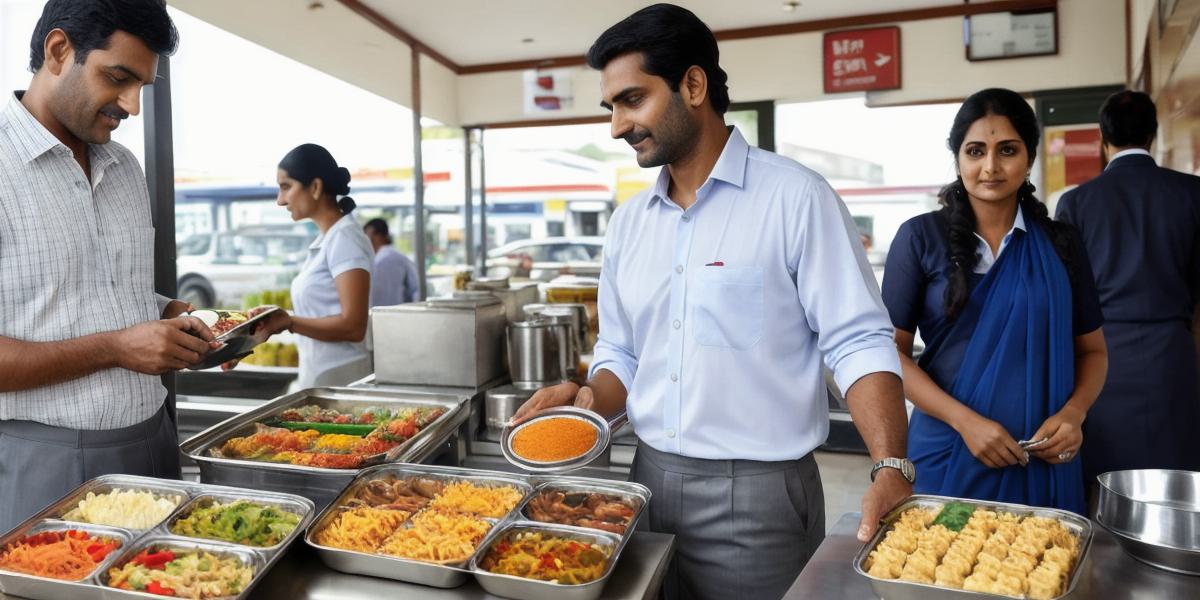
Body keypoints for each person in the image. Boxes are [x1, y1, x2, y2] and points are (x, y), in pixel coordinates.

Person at [512, 5, 912, 599]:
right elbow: (621, 350)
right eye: (612, 107)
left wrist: (889, 465)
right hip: (643, 484)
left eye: (632, 100)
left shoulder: (794, 198)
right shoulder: (628, 225)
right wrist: (590, 400)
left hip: (758, 500)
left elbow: (856, 341)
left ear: (693, 85)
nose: (617, 126)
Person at [0, 0, 216, 532]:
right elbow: (109, 332)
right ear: (57, 51)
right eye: (118, 78)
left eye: (143, 85)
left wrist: (179, 315)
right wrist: (116, 347)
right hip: (45, 461)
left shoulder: (123, 166)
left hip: (156, 441)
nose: (132, 106)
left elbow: (111, 295)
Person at [881, 88, 1108, 515]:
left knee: (1038, 575)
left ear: (1029, 157)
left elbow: (1093, 351)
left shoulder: (1061, 245)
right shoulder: (920, 238)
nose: (990, 166)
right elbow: (889, 353)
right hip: (948, 451)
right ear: (958, 158)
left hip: (1043, 459)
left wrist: (1075, 413)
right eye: (975, 151)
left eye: (1007, 150)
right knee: (946, 569)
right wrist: (965, 422)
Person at [1056, 90, 1200, 483]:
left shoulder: (1076, 203)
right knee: (1178, 472)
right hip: (1174, 354)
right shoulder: (1192, 194)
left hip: (1101, 360)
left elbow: (1067, 293)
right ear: (1153, 135)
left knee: (1107, 476)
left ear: (1104, 141)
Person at [249, 144, 374, 388]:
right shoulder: (330, 239)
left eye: (286, 187)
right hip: (323, 377)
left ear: (315, 187)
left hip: (342, 380)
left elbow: (353, 326)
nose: (280, 200)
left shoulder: (345, 239)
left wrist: (290, 322)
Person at [363, 218, 419, 306]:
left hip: (374, 315)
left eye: (366, 234)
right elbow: (414, 289)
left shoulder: (374, 262)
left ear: (375, 234)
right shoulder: (402, 258)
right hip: (399, 313)